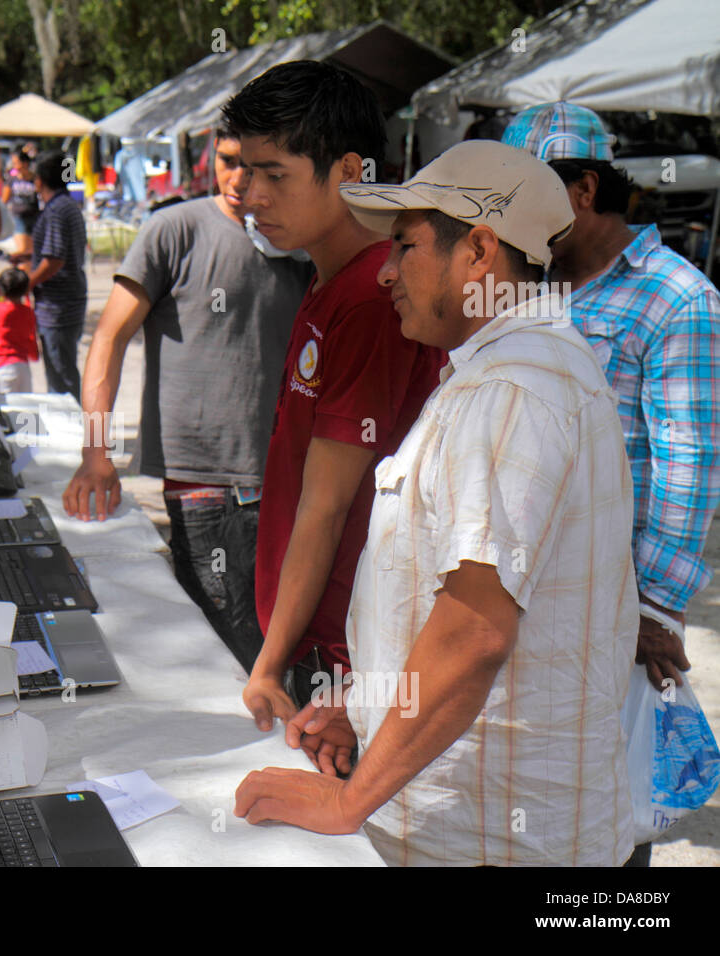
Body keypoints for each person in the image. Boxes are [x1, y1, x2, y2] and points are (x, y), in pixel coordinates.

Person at [236, 139, 640, 867]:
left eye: (407, 247)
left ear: (479, 252)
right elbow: (467, 608)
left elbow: (475, 630)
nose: (387, 271)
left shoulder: (509, 392)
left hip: (490, 836)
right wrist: (372, 707)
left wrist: (348, 799)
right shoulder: (520, 373)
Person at [503, 101, 720, 866]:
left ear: (584, 190)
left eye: (526, 199)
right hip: (522, 599)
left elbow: (689, 466)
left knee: (605, 819)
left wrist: (653, 611)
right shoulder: (526, 285)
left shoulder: (676, 298)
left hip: (616, 615)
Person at [220, 61, 445, 728]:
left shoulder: (374, 293)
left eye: (274, 174)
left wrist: (270, 660)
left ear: (350, 172)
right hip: (319, 635)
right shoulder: (330, 280)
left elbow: (328, 502)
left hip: (346, 650)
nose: (249, 194)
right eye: (244, 169)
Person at [61, 128, 312, 671]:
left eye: (260, 168)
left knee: (288, 657)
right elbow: (108, 338)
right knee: (223, 656)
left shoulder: (300, 241)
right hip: (202, 483)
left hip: (292, 483)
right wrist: (96, 454)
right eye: (228, 162)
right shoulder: (173, 229)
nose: (240, 180)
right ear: (209, 159)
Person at [28, 150, 89, 398]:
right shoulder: (68, 206)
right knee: (63, 370)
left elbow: (54, 260)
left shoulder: (56, 211)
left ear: (39, 181)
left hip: (58, 306)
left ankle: (73, 432)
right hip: (70, 299)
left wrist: (27, 282)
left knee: (60, 379)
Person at [0, 268, 40, 394]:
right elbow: (32, 344)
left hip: (1, 367)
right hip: (23, 368)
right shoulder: (28, 312)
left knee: (0, 409)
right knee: (23, 411)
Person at [2, 150, 39, 261]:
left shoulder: (35, 179)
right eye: (13, 163)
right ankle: (14, 263)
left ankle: (27, 274)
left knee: (31, 251)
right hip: (17, 217)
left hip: (34, 217)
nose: (15, 166)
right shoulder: (11, 180)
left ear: (25, 163)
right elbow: (4, 200)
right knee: (23, 249)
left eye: (17, 163)